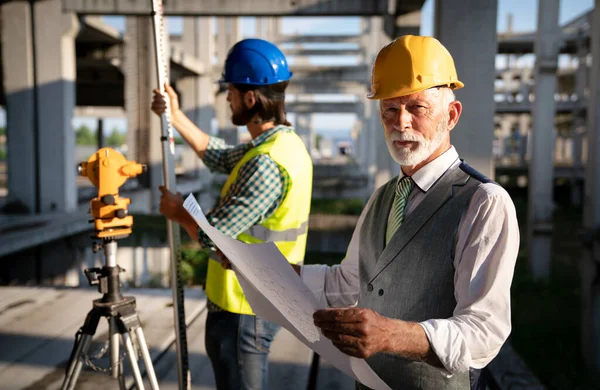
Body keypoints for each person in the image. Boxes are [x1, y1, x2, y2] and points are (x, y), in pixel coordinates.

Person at [295, 35, 520, 389]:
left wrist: (392, 336)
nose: (401, 123)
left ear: (451, 115)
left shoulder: (483, 202)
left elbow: (484, 330)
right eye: (389, 109)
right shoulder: (382, 198)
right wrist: (271, 270)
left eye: (417, 108)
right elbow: (348, 283)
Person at [152, 38, 313, 390]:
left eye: (231, 91)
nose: (227, 98)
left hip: (244, 308)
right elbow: (220, 156)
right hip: (258, 301)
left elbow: (215, 240)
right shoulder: (283, 146)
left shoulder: (266, 164)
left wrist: (179, 213)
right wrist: (175, 117)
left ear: (250, 98)